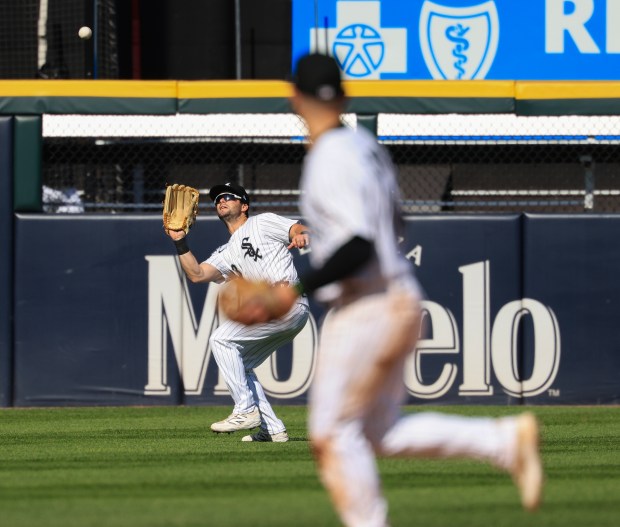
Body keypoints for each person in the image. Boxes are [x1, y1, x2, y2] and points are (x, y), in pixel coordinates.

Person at [232, 53, 544, 525]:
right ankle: (502, 443)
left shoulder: (330, 157)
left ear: (293, 97)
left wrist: (287, 291)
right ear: (345, 95)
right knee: (374, 431)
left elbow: (358, 242)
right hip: (392, 297)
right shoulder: (365, 147)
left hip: (369, 305)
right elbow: (396, 222)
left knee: (333, 433)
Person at [165, 181, 310, 442]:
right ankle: (272, 428)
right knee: (240, 365)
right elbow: (197, 274)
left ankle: (245, 409)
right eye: (218, 198)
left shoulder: (261, 222)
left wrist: (299, 233)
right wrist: (180, 241)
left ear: (244, 206)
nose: (221, 200)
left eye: (229, 197)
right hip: (279, 311)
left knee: (221, 339)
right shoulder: (226, 251)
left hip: (286, 300)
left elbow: (295, 228)